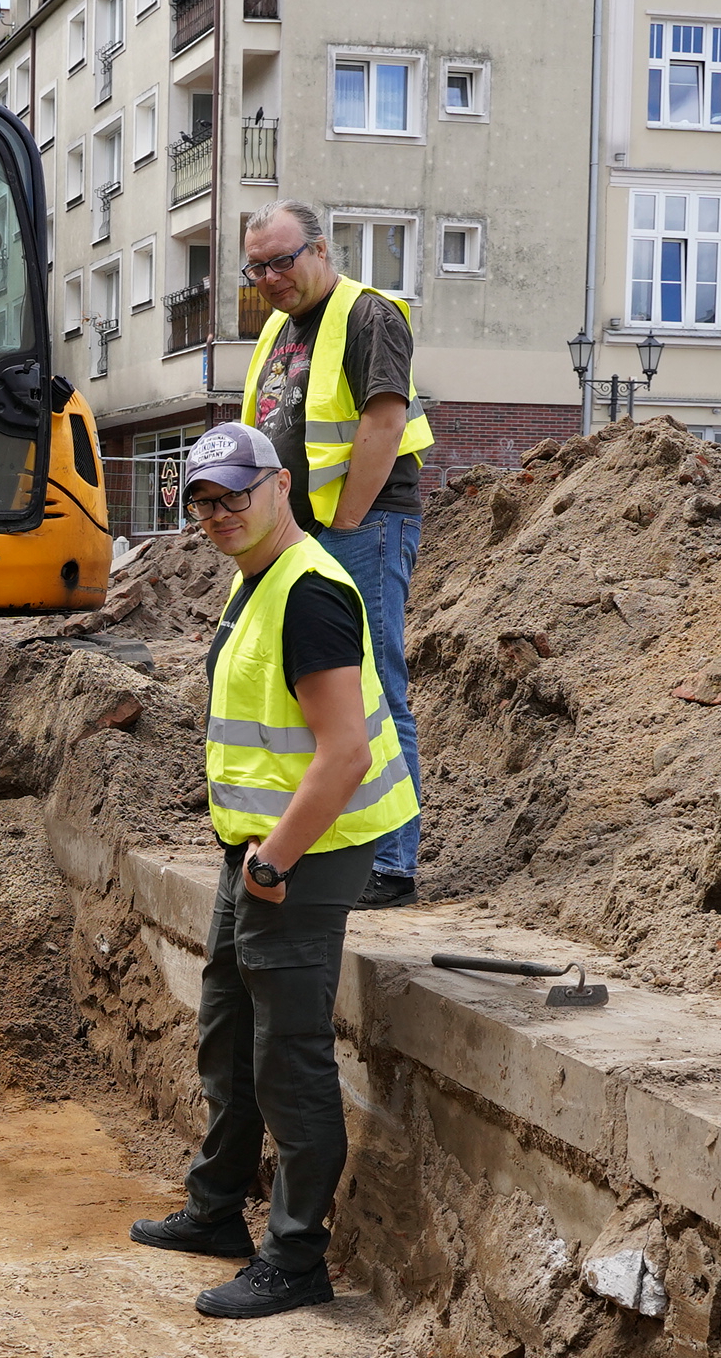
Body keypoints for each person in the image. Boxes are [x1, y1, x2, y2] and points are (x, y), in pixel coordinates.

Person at [126, 422, 417, 1320]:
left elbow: (345, 753)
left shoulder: (310, 592)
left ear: (281, 484)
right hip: (257, 848)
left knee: (287, 1052)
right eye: (204, 501)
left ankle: (294, 1257)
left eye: (235, 494)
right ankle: (218, 1208)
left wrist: (275, 861)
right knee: (228, 1026)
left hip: (306, 852)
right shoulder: (252, 578)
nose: (219, 513)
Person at [237, 199, 434, 910]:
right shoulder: (278, 329)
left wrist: (344, 524)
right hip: (301, 537)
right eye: (257, 267)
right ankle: (327, 843)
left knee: (374, 688)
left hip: (363, 527)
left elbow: (384, 422)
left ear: (321, 250)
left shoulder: (367, 315)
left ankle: (393, 862)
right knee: (316, 689)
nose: (270, 277)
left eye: (282, 260)